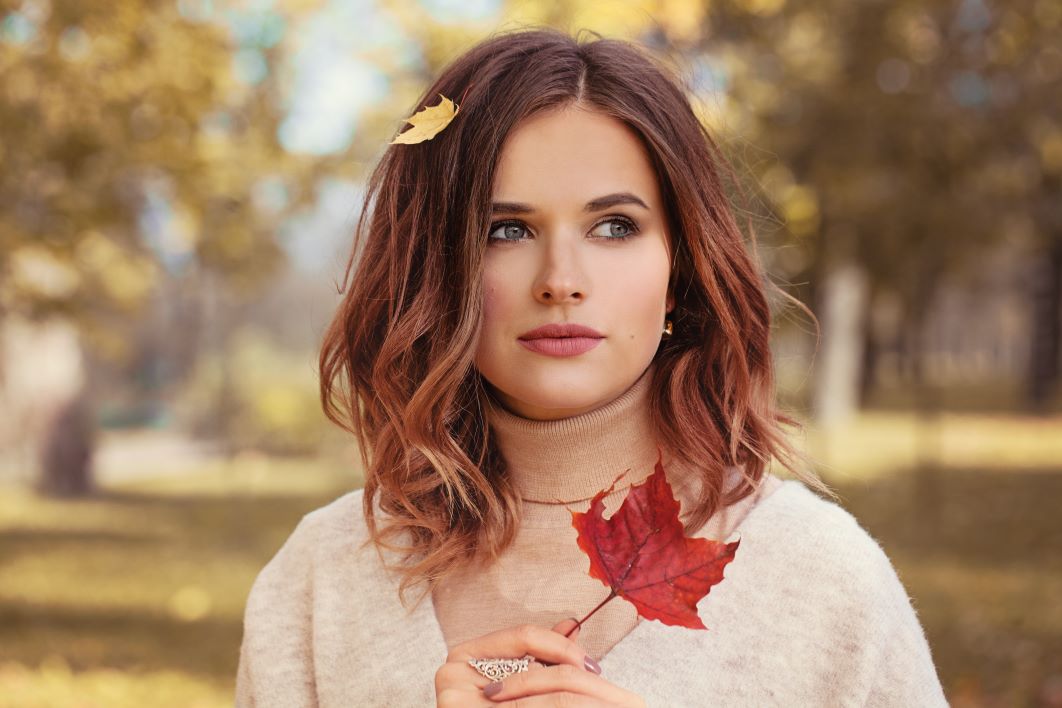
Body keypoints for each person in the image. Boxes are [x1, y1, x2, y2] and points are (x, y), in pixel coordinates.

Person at [235, 27, 948, 707]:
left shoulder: (823, 582)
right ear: (436, 271)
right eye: (505, 230)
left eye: (615, 226)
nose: (561, 279)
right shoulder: (320, 583)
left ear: (681, 267)